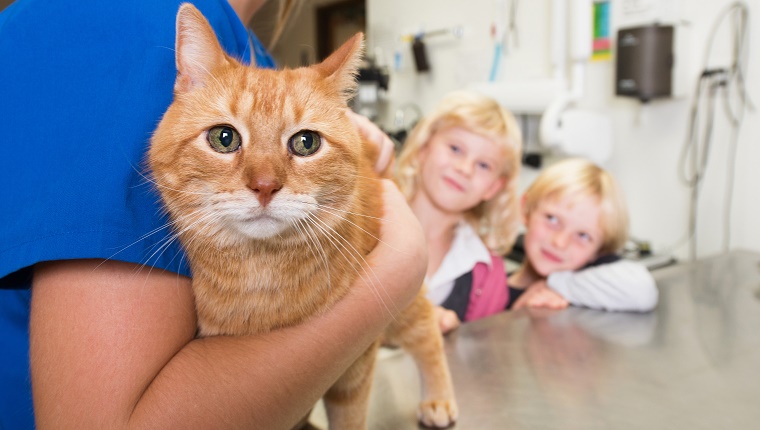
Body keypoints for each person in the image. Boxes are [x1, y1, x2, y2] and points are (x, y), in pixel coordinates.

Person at [0, 1, 426, 429]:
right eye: (226, 139)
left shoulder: (256, 52)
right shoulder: (115, 20)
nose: (264, 182)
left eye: (303, 144)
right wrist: (393, 273)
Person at [395, 90, 523, 334]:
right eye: (455, 149)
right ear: (424, 148)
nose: (465, 169)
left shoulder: (488, 277)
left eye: (484, 165)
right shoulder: (363, 229)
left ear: (493, 187)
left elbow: (481, 358)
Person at [509, 158, 659, 312]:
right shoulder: (492, 288)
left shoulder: (593, 279)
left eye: (583, 236)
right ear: (525, 208)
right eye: (552, 219)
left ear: (599, 250)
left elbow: (642, 291)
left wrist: (554, 284)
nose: (560, 242)